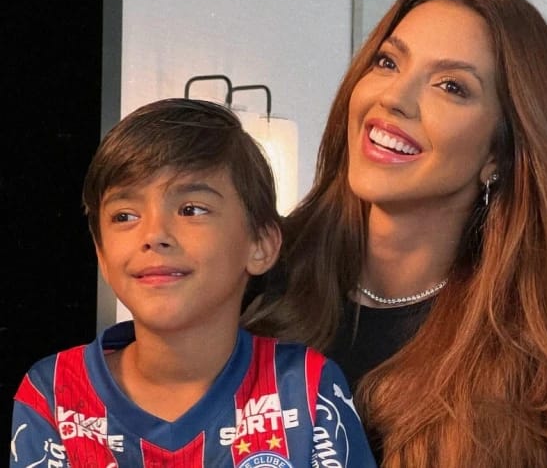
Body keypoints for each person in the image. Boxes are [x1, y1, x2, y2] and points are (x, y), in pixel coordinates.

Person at [242, 0, 547, 467]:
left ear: (499, 154)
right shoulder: (252, 281)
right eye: (388, 62)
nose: (394, 98)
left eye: (451, 86)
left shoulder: (545, 368)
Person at [9, 99, 375, 468]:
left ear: (261, 245)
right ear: (101, 255)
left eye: (191, 210)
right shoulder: (53, 393)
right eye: (125, 216)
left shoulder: (305, 388)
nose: (154, 235)